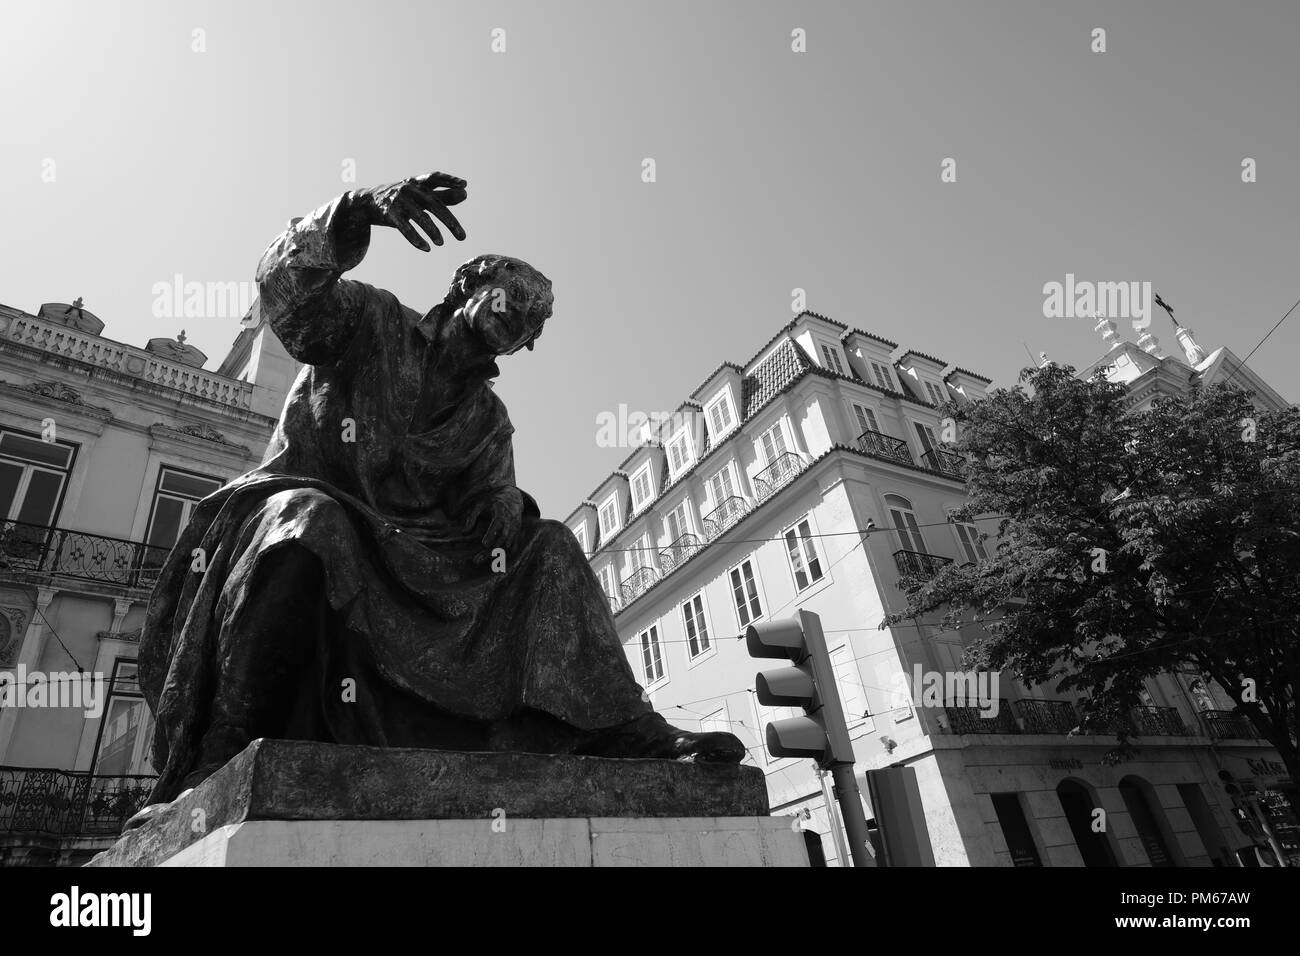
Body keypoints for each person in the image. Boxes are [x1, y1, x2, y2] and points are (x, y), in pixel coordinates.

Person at [135, 172, 744, 809]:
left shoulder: (488, 417)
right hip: (321, 509)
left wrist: (501, 506)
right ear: (468, 287)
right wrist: (359, 211)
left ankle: (622, 728)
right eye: (514, 297)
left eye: (532, 319)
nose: (521, 317)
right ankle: (226, 741)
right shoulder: (370, 321)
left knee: (553, 546)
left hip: (422, 556)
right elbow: (287, 300)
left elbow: (491, 498)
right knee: (308, 520)